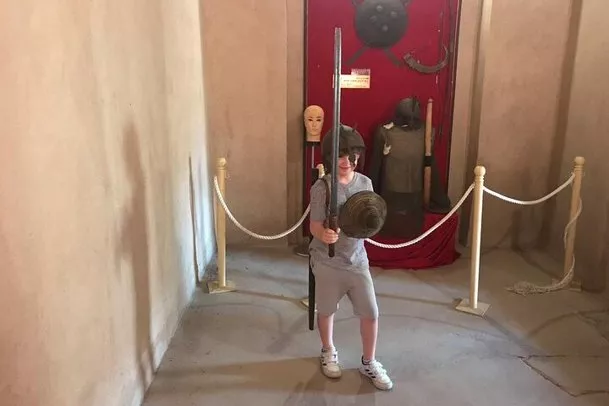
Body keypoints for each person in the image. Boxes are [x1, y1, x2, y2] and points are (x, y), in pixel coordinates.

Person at [308, 125, 393, 391]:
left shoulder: (365, 183)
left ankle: (369, 361)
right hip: (328, 259)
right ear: (329, 157)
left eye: (351, 155)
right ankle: (328, 350)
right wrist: (323, 234)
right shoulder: (322, 187)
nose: (346, 161)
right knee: (326, 310)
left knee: (371, 312)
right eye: (340, 155)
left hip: (357, 259)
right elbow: (314, 224)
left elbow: (369, 216)